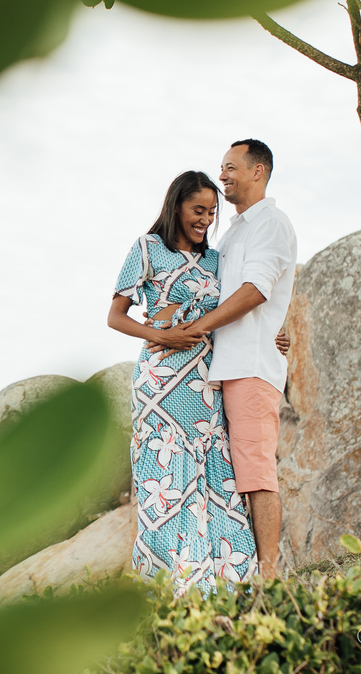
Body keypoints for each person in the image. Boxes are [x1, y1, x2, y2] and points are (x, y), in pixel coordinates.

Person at [107, 170, 265, 595]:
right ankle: (169, 589)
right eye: (198, 210)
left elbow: (242, 306)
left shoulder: (217, 261)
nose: (205, 220)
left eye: (212, 213)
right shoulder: (147, 248)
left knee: (215, 478)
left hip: (204, 383)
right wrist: (163, 334)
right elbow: (116, 316)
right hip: (160, 384)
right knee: (167, 481)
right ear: (176, 205)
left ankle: (228, 588)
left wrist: (274, 333)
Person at [148, 140, 297, 579]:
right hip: (220, 370)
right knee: (228, 481)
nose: (224, 175)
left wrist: (198, 328)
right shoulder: (232, 232)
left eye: (231, 167)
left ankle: (269, 579)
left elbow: (256, 291)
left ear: (259, 171)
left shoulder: (270, 223)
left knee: (255, 474)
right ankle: (234, 573)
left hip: (249, 368)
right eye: (221, 167)